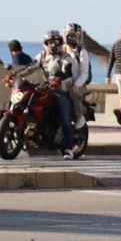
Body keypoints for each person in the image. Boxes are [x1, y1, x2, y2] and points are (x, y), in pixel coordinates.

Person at [33, 29, 79, 158]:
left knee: (65, 118)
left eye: (56, 41)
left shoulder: (65, 56)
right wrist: (15, 75)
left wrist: (59, 78)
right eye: (50, 42)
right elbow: (30, 67)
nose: (53, 44)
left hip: (61, 90)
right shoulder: (42, 56)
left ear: (60, 42)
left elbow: (67, 70)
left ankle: (69, 148)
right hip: (45, 89)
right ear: (46, 43)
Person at [64, 23, 92, 127]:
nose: (73, 38)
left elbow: (84, 73)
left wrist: (76, 85)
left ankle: (80, 117)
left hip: (77, 84)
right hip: (61, 83)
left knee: (73, 93)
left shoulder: (81, 52)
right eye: (71, 35)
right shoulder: (60, 50)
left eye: (76, 35)